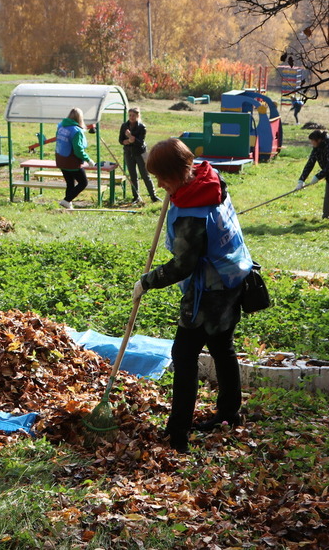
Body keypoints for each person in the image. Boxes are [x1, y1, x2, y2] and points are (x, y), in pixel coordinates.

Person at [135, 138, 253, 454]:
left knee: (184, 356)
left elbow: (183, 265)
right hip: (232, 282)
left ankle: (178, 434)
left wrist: (147, 281)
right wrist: (177, 191)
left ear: (180, 172)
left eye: (163, 179)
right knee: (222, 347)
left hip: (208, 295)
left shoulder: (192, 216)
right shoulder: (209, 180)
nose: (160, 186)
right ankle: (229, 413)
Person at [119, 107, 160, 205]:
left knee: (145, 175)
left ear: (138, 116)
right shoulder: (124, 126)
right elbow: (121, 140)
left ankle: (153, 196)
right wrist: (128, 140)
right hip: (128, 153)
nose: (131, 117)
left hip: (140, 153)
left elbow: (140, 142)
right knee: (133, 175)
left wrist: (129, 138)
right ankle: (136, 197)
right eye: (130, 115)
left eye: (133, 115)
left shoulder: (142, 127)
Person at [55, 108, 94, 210]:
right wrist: (88, 160)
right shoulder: (76, 131)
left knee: (70, 183)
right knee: (83, 183)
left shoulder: (61, 126)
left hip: (60, 159)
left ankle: (68, 205)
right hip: (71, 161)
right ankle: (66, 201)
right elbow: (78, 150)